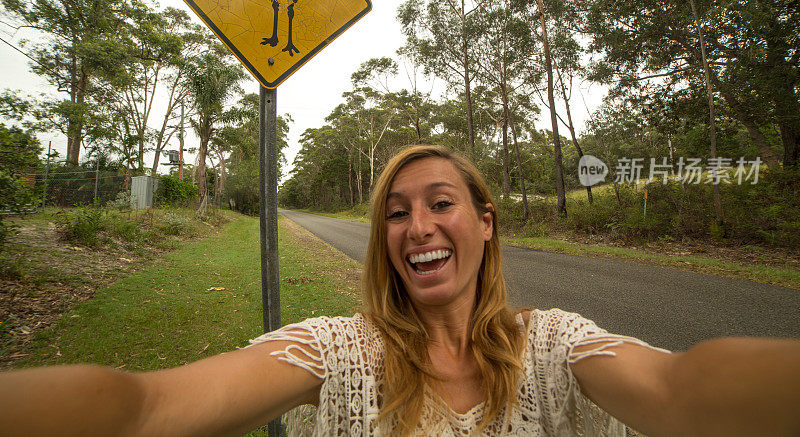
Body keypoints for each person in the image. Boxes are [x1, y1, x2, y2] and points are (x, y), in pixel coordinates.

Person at [1, 144, 799, 436]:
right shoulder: (337, 354)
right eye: (395, 212)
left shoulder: (551, 345)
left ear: (485, 223)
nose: (417, 226)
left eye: (440, 204)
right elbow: (145, 407)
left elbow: (687, 389)